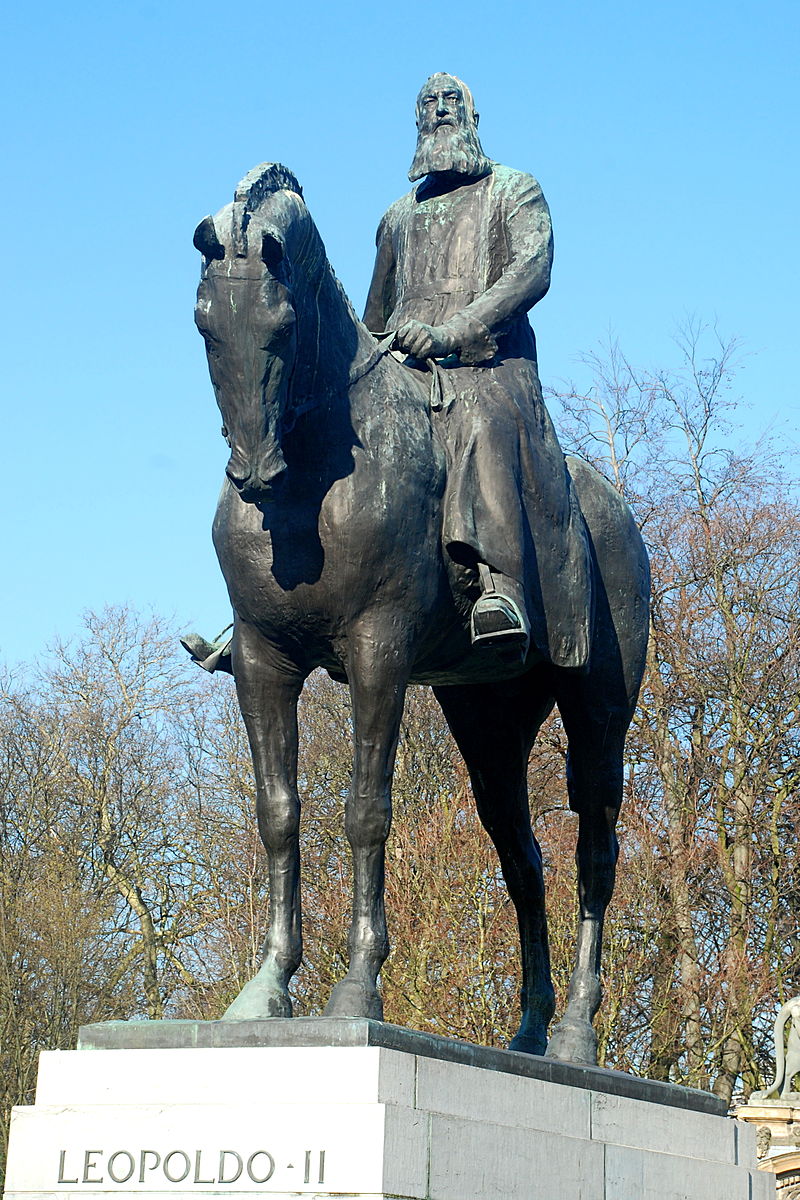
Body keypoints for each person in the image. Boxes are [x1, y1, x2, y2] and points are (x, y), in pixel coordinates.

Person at [364, 73, 592, 667]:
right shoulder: (395, 217)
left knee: (479, 420)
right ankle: (275, 609)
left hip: (488, 363)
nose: (439, 111)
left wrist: (452, 332)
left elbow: (529, 272)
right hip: (407, 362)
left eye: (451, 102)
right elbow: (373, 314)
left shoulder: (514, 189)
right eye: (427, 105)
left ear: (472, 114)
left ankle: (503, 587)